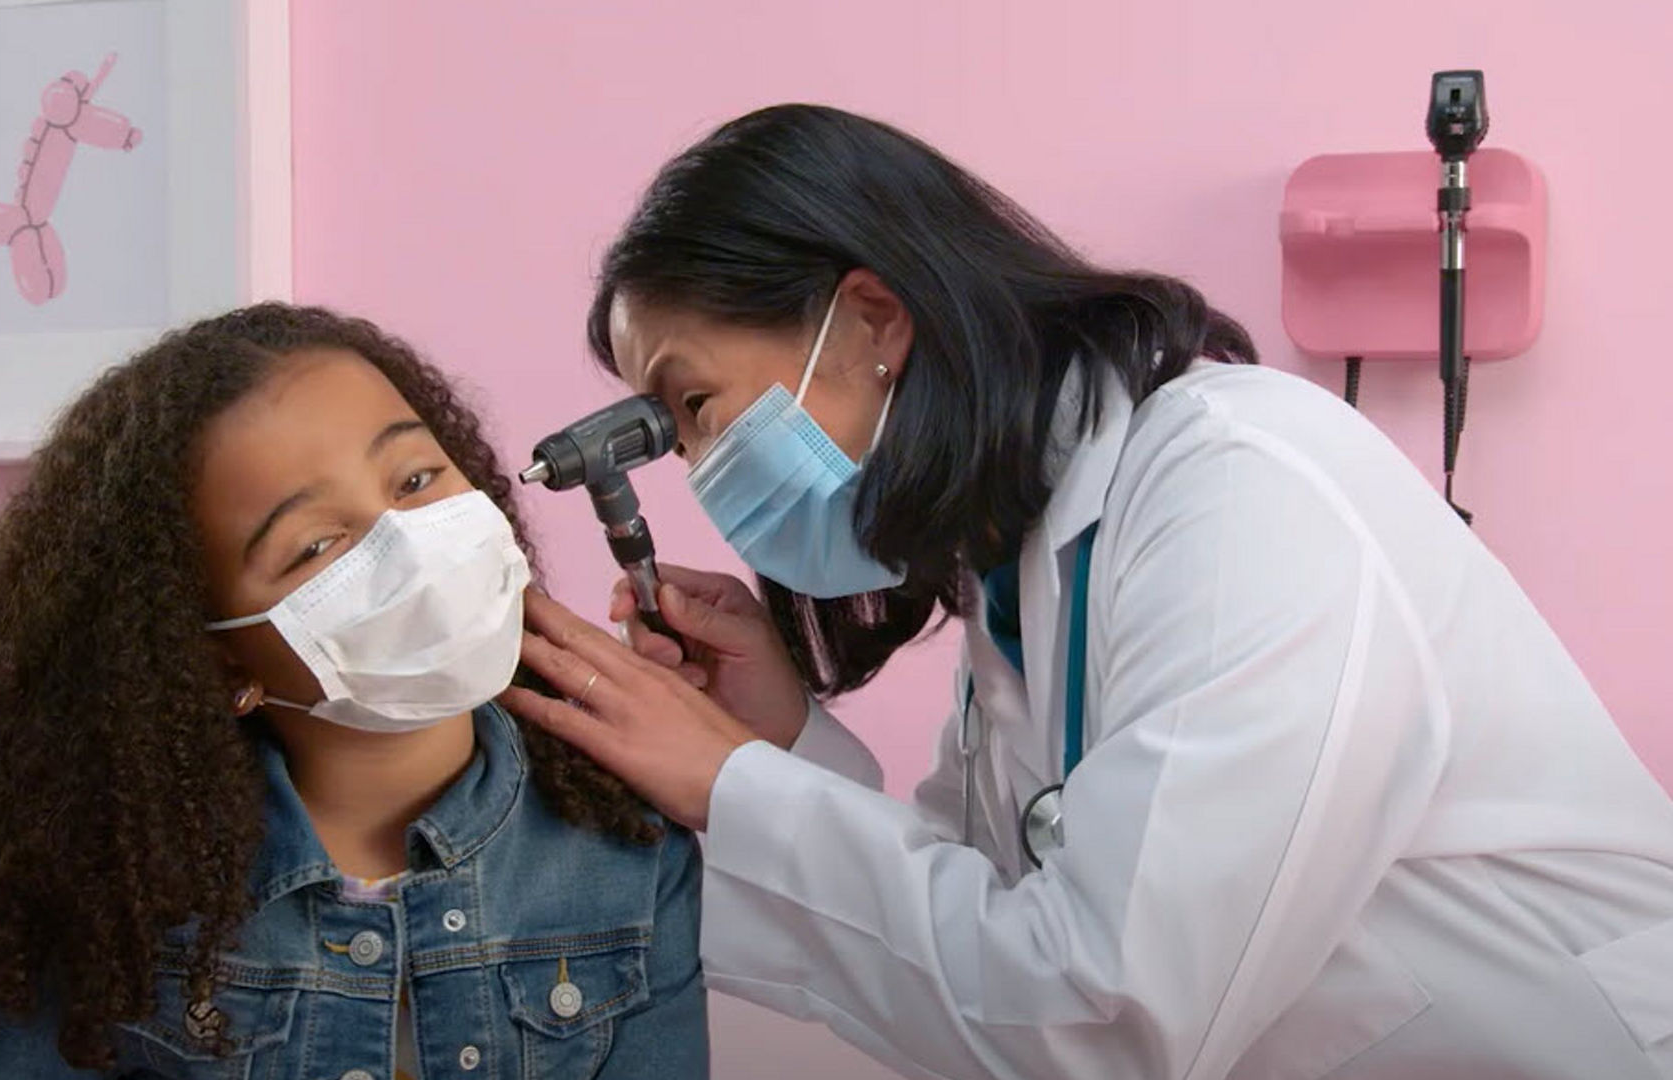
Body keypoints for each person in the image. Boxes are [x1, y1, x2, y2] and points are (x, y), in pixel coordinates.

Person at [500, 105, 1673, 1079]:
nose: (708, 476)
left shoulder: (1238, 491)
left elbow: (1105, 1015)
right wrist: (781, 741)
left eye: (697, 409)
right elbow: (988, 914)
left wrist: (728, 783)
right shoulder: (1027, 574)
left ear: (871, 321)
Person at [0, 304, 707, 1080]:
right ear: (220, 664)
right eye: (315, 548)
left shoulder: (625, 848)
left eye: (416, 479)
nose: (407, 546)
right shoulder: (102, 889)